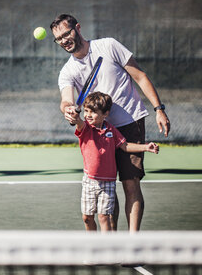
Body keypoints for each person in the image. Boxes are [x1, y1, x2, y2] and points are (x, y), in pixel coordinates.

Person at [51, 14, 170, 232]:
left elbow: (140, 76)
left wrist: (159, 109)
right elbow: (66, 99)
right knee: (107, 189)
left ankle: (132, 243)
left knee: (131, 184)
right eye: (58, 39)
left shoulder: (108, 46)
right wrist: (68, 108)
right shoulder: (67, 71)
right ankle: (113, 243)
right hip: (99, 133)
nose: (64, 40)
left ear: (77, 28)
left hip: (130, 122)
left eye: (66, 34)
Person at [71, 91, 159, 232]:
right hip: (89, 181)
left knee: (103, 217)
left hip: (107, 183)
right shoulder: (86, 128)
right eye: (86, 111)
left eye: (93, 112)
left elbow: (125, 146)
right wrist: (75, 117)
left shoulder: (111, 130)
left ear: (105, 114)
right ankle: (91, 246)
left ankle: (107, 249)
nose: (88, 115)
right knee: (87, 218)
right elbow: (79, 123)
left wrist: (145, 147)